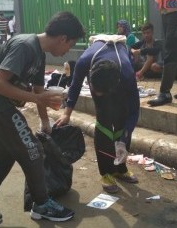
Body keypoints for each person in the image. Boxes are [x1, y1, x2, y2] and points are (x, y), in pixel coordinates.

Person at [0, 11, 85, 226]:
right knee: (33, 151)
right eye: (70, 44)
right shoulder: (25, 46)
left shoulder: (39, 53)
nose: (67, 50)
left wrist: (45, 122)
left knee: (2, 159)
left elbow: (38, 89)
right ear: (63, 38)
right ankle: (42, 205)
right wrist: (37, 97)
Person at [55, 36, 140, 194]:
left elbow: (134, 110)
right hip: (100, 71)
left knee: (122, 117)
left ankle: (120, 168)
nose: (99, 95)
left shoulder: (127, 75)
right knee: (104, 122)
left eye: (103, 93)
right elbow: (75, 86)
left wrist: (124, 139)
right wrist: (67, 113)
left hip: (117, 75)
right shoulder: (84, 61)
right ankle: (106, 173)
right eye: (96, 90)